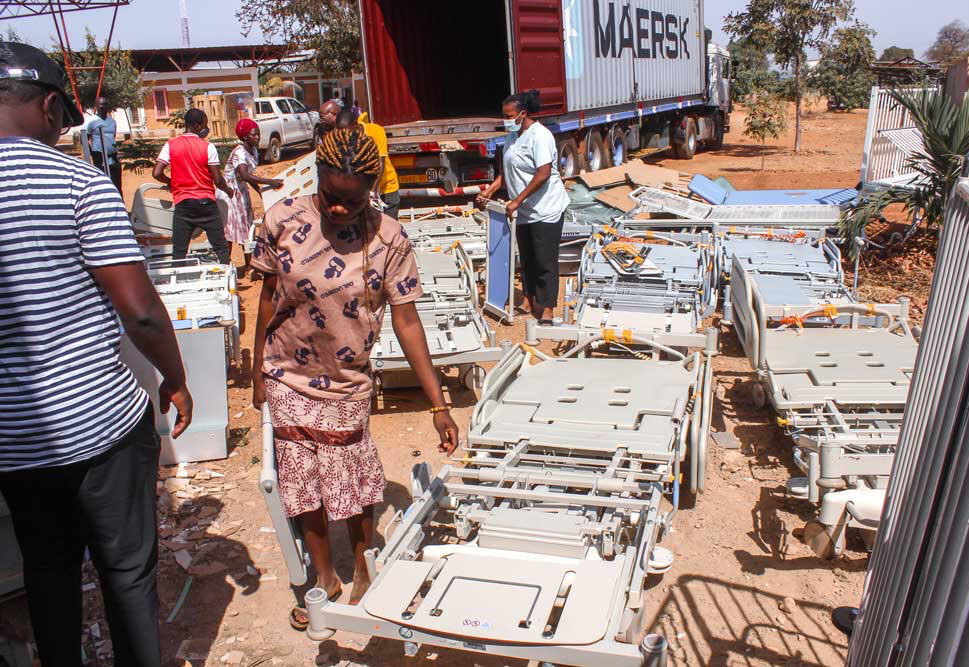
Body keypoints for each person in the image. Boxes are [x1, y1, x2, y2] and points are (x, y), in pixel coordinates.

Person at [0, 42, 193, 667]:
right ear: (53, 108)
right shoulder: (77, 182)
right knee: (127, 571)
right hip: (98, 425)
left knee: (47, 571)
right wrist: (176, 378)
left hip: (15, 441)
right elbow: (139, 310)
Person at [250, 128, 459, 628]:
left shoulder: (388, 238)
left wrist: (438, 404)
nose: (340, 210)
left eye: (352, 200)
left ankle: (363, 568)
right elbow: (264, 299)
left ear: (371, 190)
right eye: (330, 197)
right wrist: (256, 367)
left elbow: (408, 322)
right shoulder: (281, 219)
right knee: (302, 482)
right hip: (287, 372)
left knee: (350, 478)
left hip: (346, 379)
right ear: (315, 176)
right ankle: (325, 576)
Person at [476, 89, 569, 324]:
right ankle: (529, 298)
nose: (506, 121)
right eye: (504, 116)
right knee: (526, 256)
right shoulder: (511, 138)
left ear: (523, 113)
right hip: (522, 210)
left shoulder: (541, 136)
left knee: (544, 258)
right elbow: (507, 172)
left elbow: (544, 173)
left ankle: (547, 307)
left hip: (546, 208)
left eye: (509, 116)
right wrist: (490, 190)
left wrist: (517, 200)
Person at [152, 108, 235, 265]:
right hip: (206, 205)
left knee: (179, 251)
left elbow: (156, 173)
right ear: (197, 125)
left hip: (183, 204)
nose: (205, 128)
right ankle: (228, 280)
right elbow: (217, 179)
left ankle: (178, 283)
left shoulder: (170, 145)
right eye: (204, 124)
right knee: (221, 248)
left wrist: (171, 182)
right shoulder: (208, 147)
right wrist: (229, 191)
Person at [218, 117, 284, 277]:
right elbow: (244, 175)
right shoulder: (240, 152)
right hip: (230, 193)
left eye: (258, 134)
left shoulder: (253, 151)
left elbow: (249, 176)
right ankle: (225, 266)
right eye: (254, 134)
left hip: (241, 191)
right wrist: (270, 182)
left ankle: (250, 266)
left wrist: (262, 192)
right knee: (229, 230)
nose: (257, 137)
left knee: (246, 229)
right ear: (245, 136)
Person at [336, 108, 401, 219]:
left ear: (355, 124)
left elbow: (379, 163)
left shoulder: (375, 131)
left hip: (387, 187)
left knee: (391, 229)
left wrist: (373, 192)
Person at [87, 95, 122, 192]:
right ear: (96, 106)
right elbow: (84, 140)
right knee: (103, 187)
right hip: (100, 159)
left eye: (106, 104)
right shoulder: (91, 122)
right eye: (102, 104)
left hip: (113, 159)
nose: (104, 107)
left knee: (117, 187)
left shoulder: (112, 121)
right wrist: (93, 153)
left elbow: (112, 137)